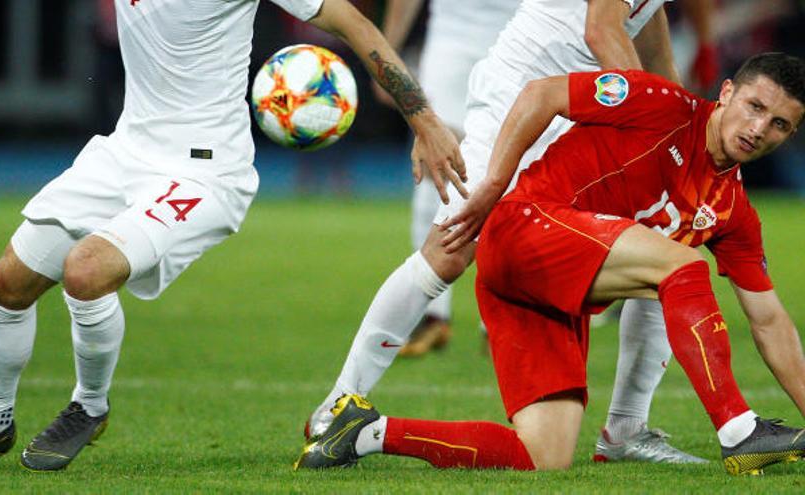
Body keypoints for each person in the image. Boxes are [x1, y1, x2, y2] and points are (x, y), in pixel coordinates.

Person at [0, 0, 465, 471]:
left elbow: (351, 20)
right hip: (123, 151)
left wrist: (426, 122)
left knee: (87, 272)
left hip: (203, 171)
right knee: (5, 283)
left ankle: (88, 407)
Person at [296, 52, 805, 476]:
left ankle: (362, 432)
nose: (759, 128)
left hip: (550, 294)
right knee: (681, 264)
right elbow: (542, 93)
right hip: (524, 228)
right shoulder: (662, 103)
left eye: (779, 124)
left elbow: (769, 321)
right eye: (755, 106)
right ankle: (738, 431)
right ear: (727, 93)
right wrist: (494, 185)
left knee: (543, 455)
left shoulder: (735, 212)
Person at [307, 0, 705, 464]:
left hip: (588, 95)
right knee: (452, 247)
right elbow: (601, 29)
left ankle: (626, 429)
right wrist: (654, 116)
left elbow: (644, 14)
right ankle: (338, 403)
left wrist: (675, 104)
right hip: (526, 87)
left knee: (663, 238)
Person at [371, 0, 521, 356]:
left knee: (512, 172)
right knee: (433, 164)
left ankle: (501, 317)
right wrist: (388, 52)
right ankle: (431, 314)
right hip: (450, 39)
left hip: (520, 40)